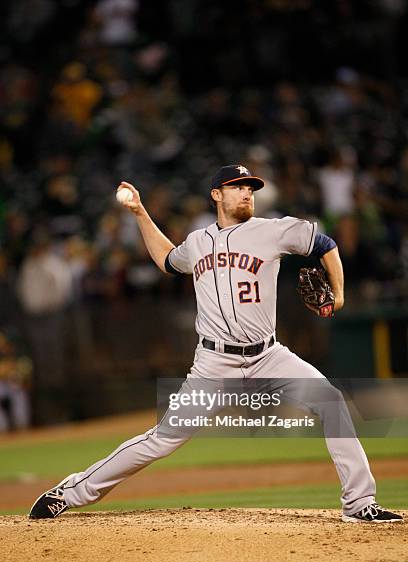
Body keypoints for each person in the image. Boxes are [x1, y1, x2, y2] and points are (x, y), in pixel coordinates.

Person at [29, 165, 403, 523]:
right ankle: (70, 491)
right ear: (216, 195)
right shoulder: (197, 242)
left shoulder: (273, 230)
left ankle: (359, 503)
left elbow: (325, 243)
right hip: (213, 364)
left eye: (251, 188)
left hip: (268, 356)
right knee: (163, 438)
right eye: (238, 187)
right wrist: (141, 212)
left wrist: (338, 294)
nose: (247, 193)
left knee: (330, 400)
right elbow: (166, 260)